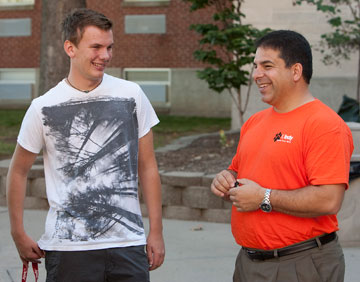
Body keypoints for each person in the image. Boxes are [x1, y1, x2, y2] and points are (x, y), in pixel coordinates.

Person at [7, 8, 164, 282]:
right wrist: (17, 232)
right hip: (69, 250)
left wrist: (156, 231)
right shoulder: (42, 106)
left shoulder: (132, 95)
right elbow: (18, 171)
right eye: (96, 47)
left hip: (127, 243)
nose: (105, 55)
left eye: (109, 47)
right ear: (70, 48)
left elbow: (148, 166)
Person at [211, 30, 353, 282]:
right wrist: (226, 180)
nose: (256, 75)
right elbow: (239, 173)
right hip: (248, 262)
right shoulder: (254, 122)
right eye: (255, 66)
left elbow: (329, 200)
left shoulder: (324, 124)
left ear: (296, 71)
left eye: (267, 66)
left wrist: (263, 197)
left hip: (301, 264)